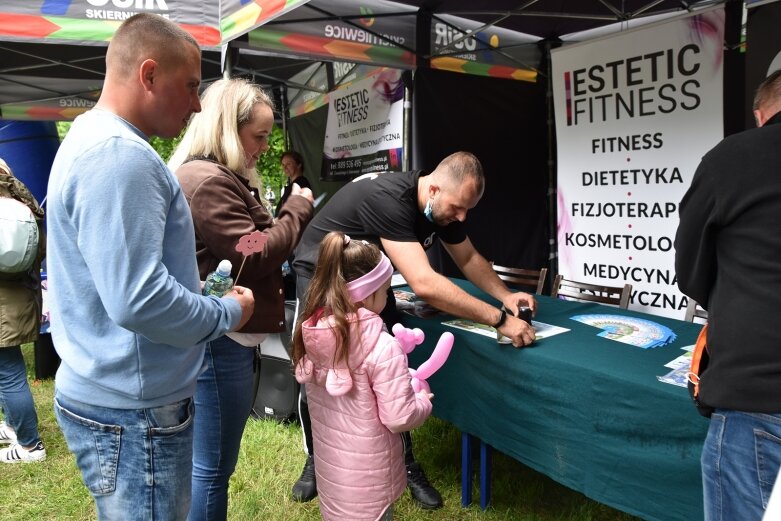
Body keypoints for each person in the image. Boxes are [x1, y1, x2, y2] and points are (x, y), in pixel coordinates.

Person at [46, 14, 254, 521]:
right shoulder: (120, 156)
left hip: (116, 394)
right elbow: (139, 300)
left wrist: (192, 290)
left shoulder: (93, 140)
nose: (197, 103)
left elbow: (123, 281)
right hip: (133, 409)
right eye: (189, 86)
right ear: (148, 75)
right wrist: (223, 312)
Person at [291, 150, 537, 508]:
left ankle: (405, 463)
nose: (462, 217)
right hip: (321, 275)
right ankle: (317, 458)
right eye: (457, 208)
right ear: (433, 189)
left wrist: (506, 296)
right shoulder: (391, 201)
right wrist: (500, 320)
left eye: (468, 210)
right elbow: (423, 283)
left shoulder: (443, 205)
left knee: (396, 373)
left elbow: (468, 258)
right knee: (322, 374)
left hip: (370, 284)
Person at [169, 77, 314, 521]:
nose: (266, 147)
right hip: (220, 342)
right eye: (261, 135)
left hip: (223, 337)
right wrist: (297, 208)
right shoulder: (206, 180)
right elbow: (253, 251)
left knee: (208, 466)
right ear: (229, 130)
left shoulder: (215, 176)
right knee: (212, 469)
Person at [675, 69, 781, 521]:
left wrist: (731, 300)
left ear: (761, 114)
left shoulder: (734, 157)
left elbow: (690, 268)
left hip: (758, 400)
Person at [292, 232, 433, 521]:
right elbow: (399, 417)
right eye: (385, 291)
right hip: (370, 482)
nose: (387, 298)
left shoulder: (316, 336)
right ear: (366, 294)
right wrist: (422, 401)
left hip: (334, 478)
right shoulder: (382, 346)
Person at [0, 158, 46, 463]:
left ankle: (30, 446)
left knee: (8, 371)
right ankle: (15, 426)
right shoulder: (19, 198)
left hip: (4, 301)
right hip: (19, 295)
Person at [275, 150, 312, 217]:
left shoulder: (301, 183)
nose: (284, 168)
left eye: (288, 164)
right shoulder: (294, 184)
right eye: (283, 165)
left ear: (299, 165)